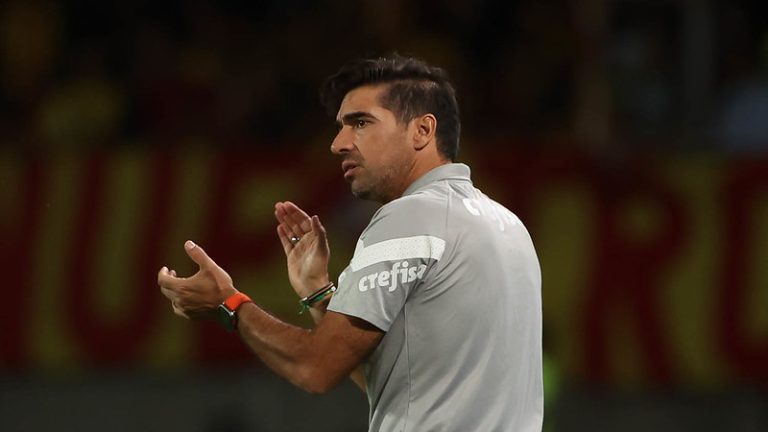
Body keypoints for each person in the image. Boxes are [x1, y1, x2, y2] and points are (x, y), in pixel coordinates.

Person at [158, 54, 543, 431]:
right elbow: (393, 381)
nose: (338, 143)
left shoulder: (411, 217)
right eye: (341, 126)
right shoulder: (509, 225)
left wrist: (228, 303)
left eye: (360, 123)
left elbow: (315, 369)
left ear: (422, 131)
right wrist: (318, 293)